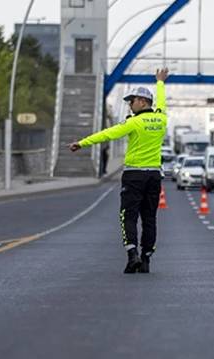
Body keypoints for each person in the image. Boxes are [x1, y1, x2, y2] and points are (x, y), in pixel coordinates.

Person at [70, 68, 169, 274]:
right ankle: (146, 258)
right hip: (153, 176)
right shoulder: (162, 119)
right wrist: (160, 82)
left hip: (134, 175)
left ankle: (132, 254)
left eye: (131, 101)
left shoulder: (133, 122)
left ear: (142, 101)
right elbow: (162, 102)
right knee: (149, 218)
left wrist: (82, 143)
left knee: (128, 216)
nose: (130, 105)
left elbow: (108, 134)